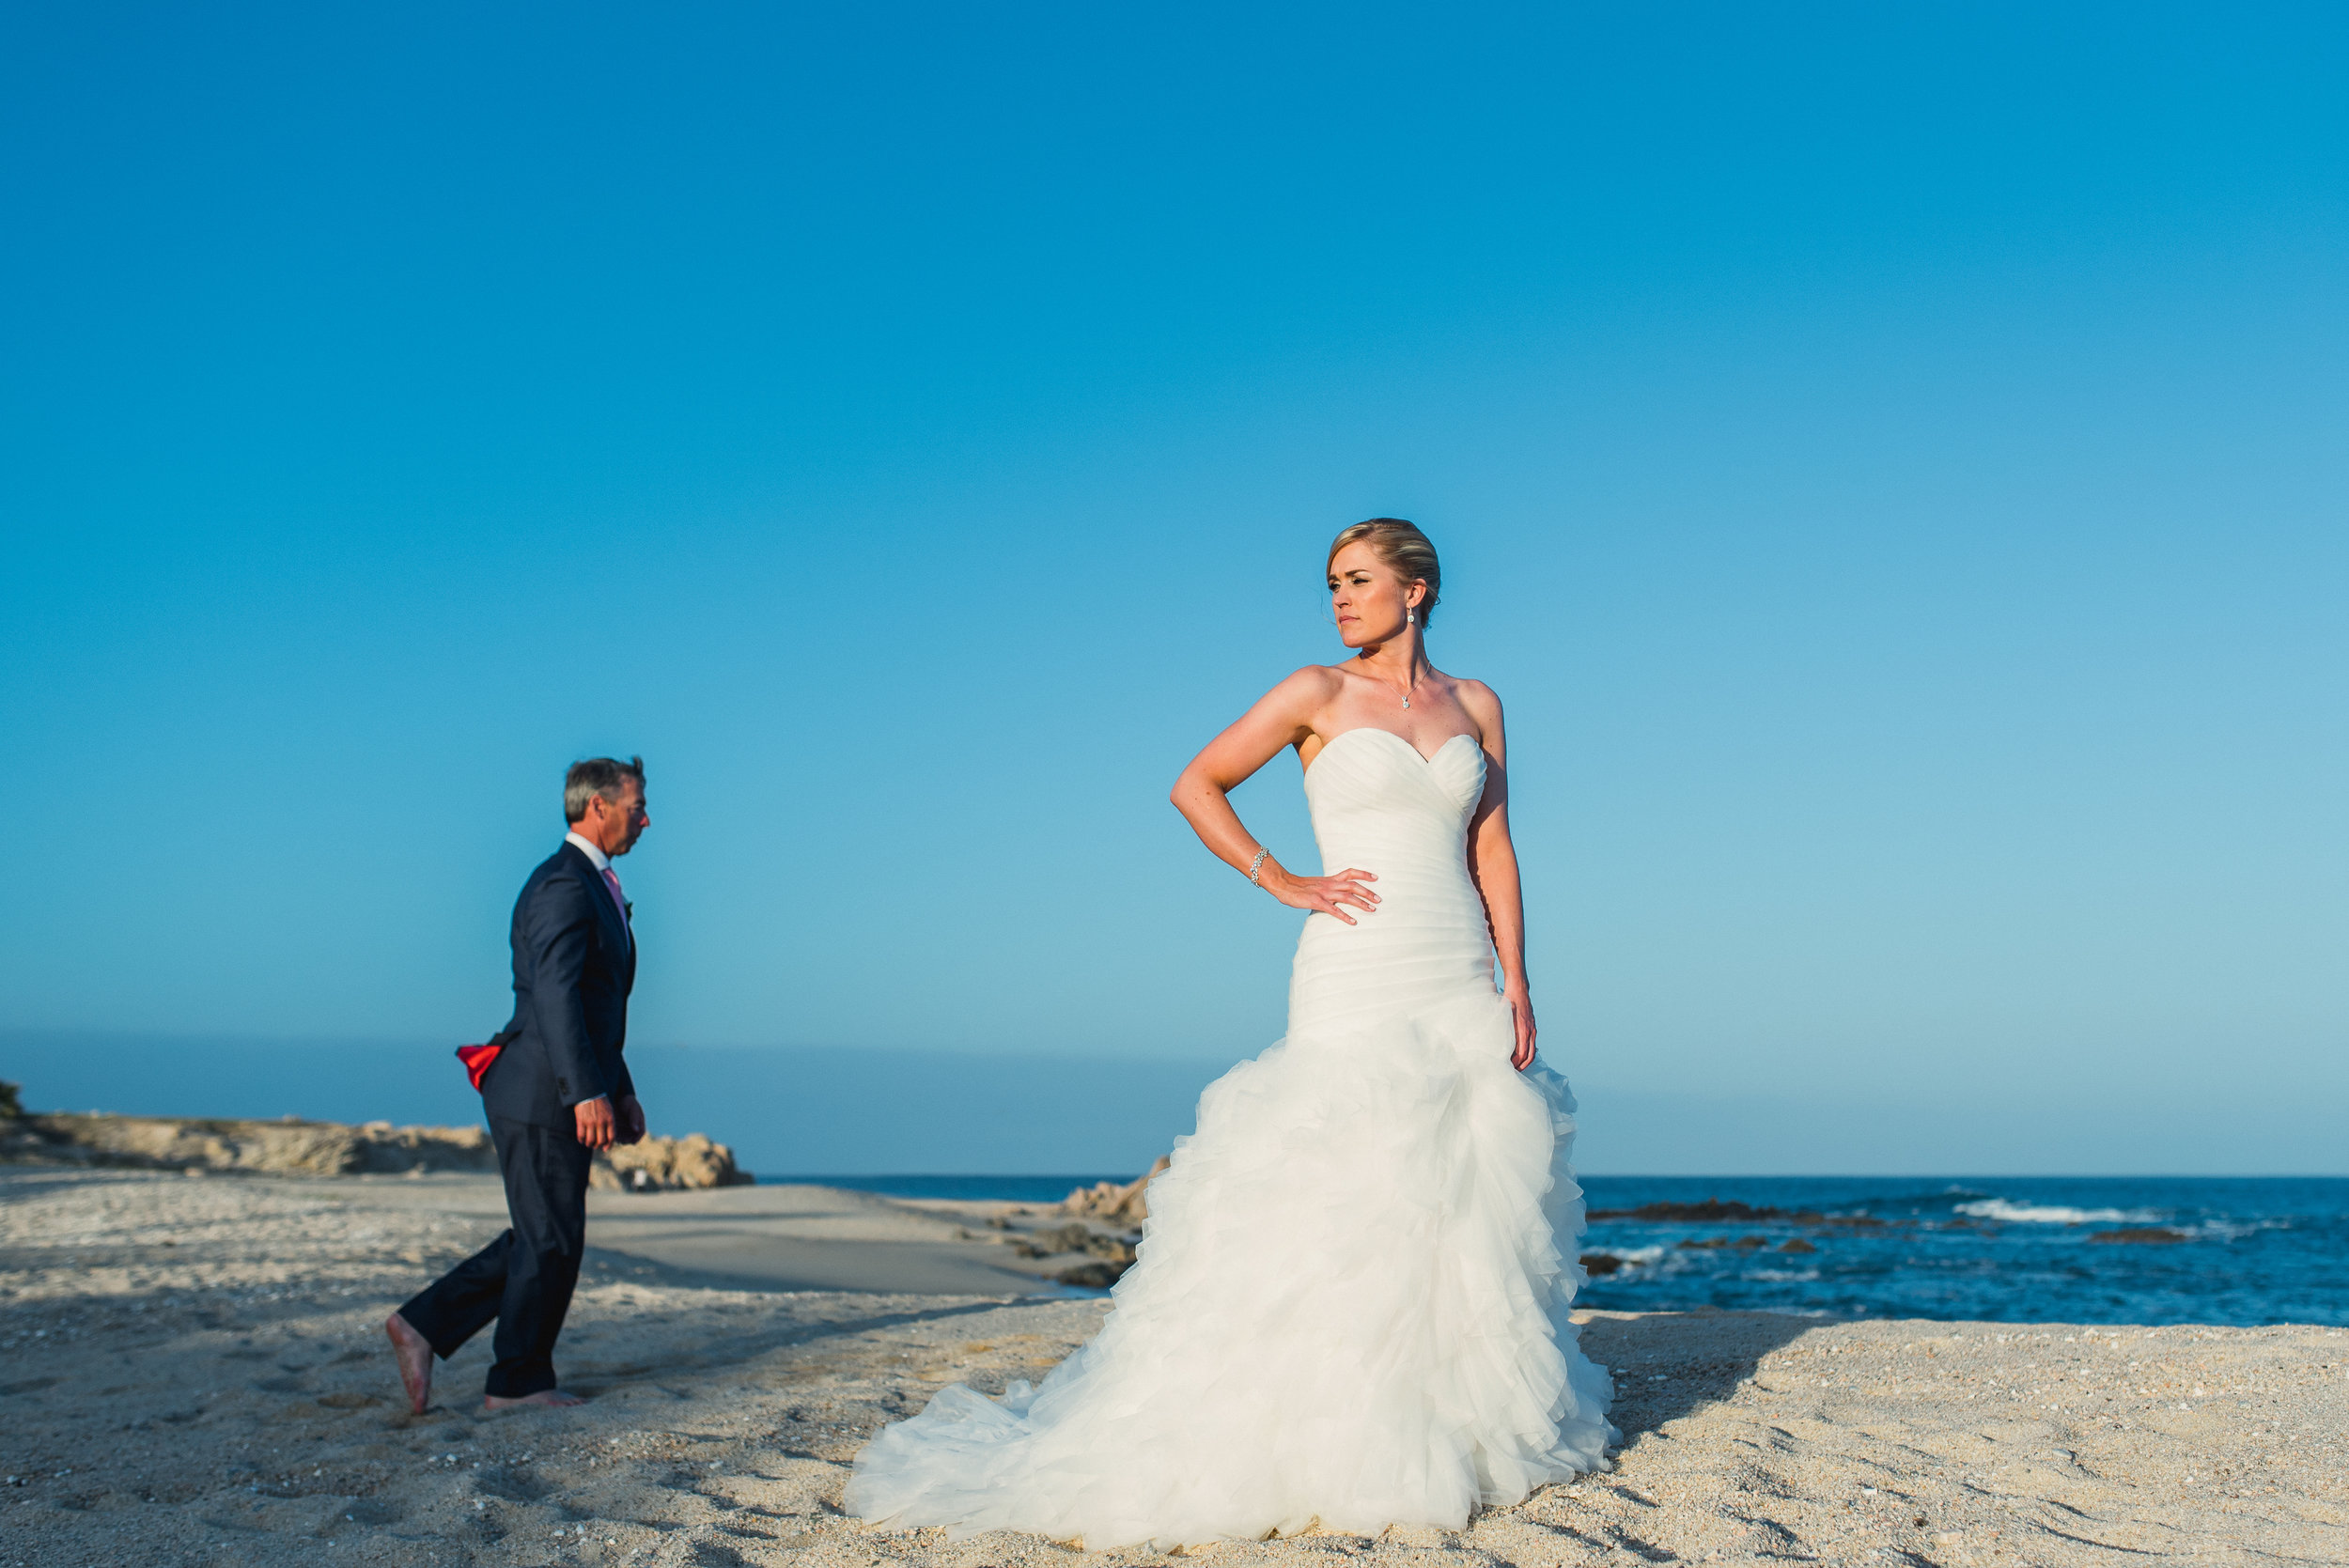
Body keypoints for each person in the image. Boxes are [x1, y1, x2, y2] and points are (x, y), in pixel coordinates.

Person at [848, 520, 1616, 1546]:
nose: (1339, 600)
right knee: (1351, 1177)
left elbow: (1492, 842)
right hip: (1355, 962)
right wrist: (1282, 879)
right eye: (1331, 584)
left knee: (1461, 1183)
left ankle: (1447, 1425)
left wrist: (1518, 978)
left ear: (1415, 590)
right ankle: (1320, 1423)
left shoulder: (1477, 704)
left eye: (1357, 581)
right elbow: (1194, 785)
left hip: (1457, 963)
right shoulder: (1314, 692)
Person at [385, 756, 651, 1412]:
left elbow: (595, 1004)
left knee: (546, 1233)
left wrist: (618, 1087)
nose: (645, 818)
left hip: (556, 1082)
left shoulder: (593, 884)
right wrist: (583, 1090)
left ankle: (422, 1325)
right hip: (538, 1087)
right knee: (550, 1236)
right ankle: (515, 1383)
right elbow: (556, 997)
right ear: (597, 807)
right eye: (635, 804)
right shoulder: (564, 883)